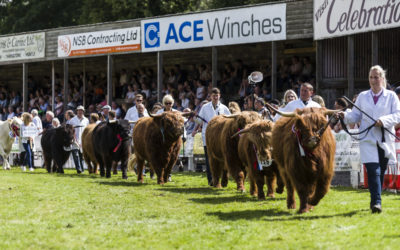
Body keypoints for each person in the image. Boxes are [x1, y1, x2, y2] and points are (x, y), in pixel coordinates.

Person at [339, 65, 400, 213]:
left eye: (376, 77)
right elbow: (355, 116)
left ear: (382, 78)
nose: (374, 80)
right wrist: (344, 116)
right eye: (371, 77)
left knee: (380, 170)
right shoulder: (362, 96)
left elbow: (398, 115)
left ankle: (375, 199)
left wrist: (383, 121)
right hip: (368, 139)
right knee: (373, 170)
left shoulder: (391, 96)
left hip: (385, 138)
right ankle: (376, 203)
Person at [194, 88, 230, 185]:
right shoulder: (205, 107)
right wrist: (195, 117)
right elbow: (199, 121)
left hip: (220, 138)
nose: (215, 97)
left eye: (217, 95)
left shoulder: (224, 108)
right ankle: (211, 179)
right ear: (210, 96)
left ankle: (223, 178)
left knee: (222, 158)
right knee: (209, 159)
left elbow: (230, 122)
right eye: (213, 96)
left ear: (219, 95)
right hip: (208, 137)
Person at [66, 106, 89, 174]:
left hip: (83, 140)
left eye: (81, 110)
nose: (80, 112)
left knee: (81, 156)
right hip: (74, 140)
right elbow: (68, 130)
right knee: (75, 155)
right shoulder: (72, 120)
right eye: (79, 110)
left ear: (83, 111)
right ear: (77, 111)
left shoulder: (86, 120)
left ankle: (82, 169)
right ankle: (78, 169)